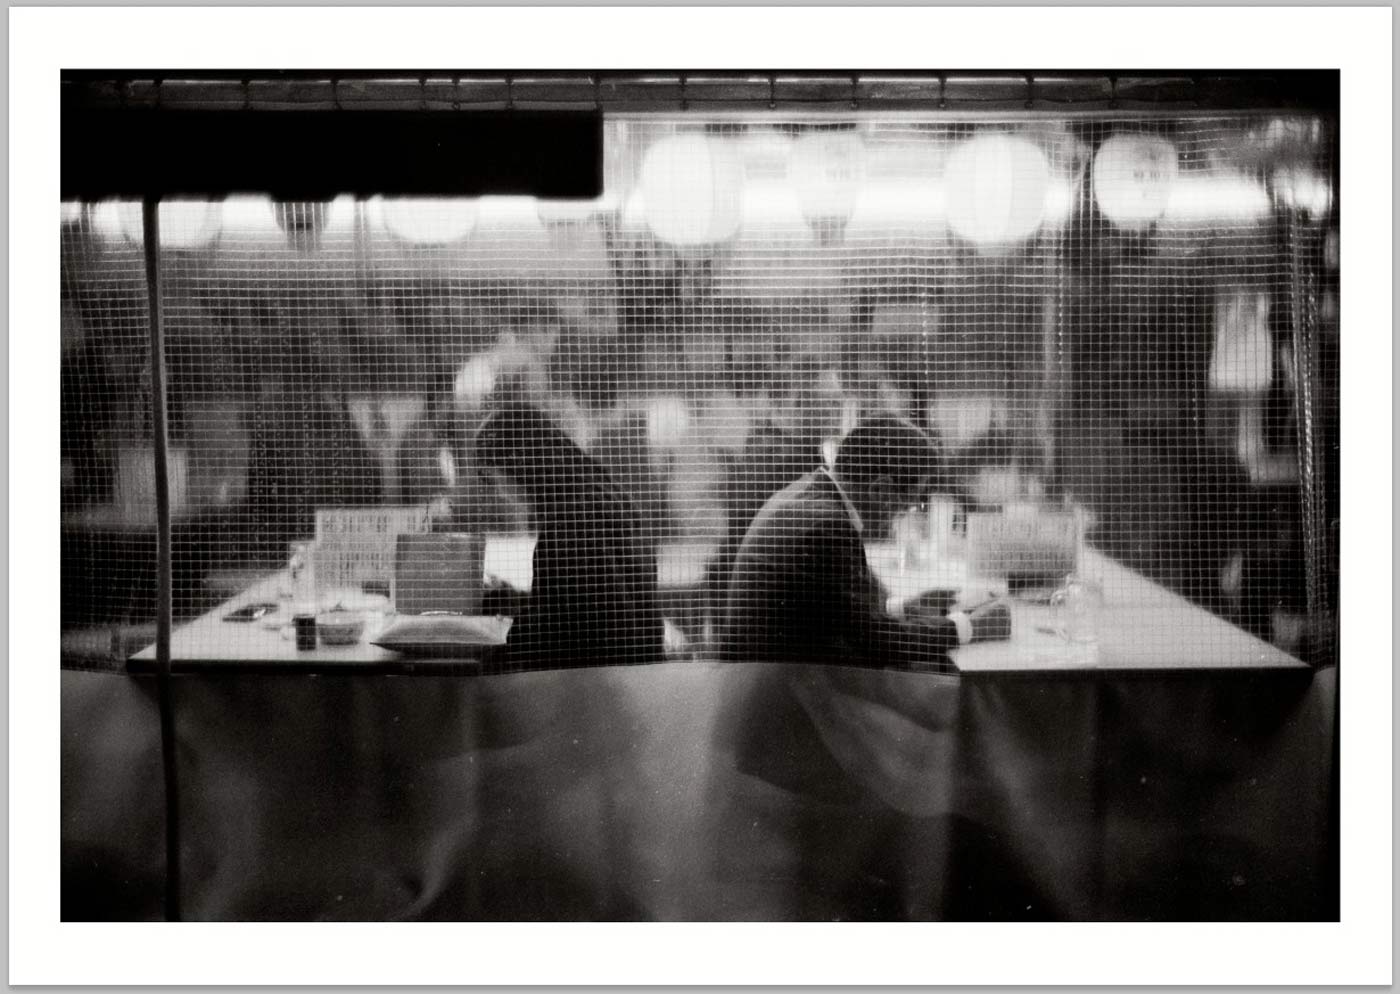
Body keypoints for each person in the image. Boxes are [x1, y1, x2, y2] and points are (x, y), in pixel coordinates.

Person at [722, 414, 1009, 670]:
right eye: (906, 505)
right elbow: (879, 643)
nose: (900, 516)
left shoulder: (809, 493)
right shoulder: (827, 526)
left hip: (767, 678)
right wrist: (969, 627)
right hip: (779, 694)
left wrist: (904, 606)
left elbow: (838, 611)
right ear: (881, 490)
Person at [473, 404, 663, 670]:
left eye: (495, 481)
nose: (500, 495)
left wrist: (494, 645)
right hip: (639, 677)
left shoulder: (568, 520)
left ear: (516, 464)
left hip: (597, 687)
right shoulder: (602, 491)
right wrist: (506, 599)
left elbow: (577, 634)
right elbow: (576, 603)